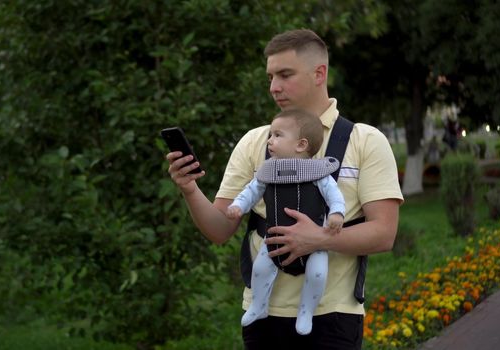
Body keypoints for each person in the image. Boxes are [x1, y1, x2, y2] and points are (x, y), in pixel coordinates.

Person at [165, 28, 403, 349]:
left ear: (319, 73)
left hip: (333, 316)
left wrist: (317, 239)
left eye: (285, 75)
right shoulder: (255, 142)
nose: (274, 87)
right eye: (270, 77)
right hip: (262, 317)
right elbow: (220, 229)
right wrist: (190, 189)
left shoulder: (364, 141)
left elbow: (384, 233)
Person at [226, 108, 345, 335]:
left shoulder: (318, 171)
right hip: (275, 236)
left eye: (277, 135)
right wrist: (238, 206)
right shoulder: (268, 171)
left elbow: (334, 195)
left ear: (301, 145)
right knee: (260, 269)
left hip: (315, 240)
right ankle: (259, 306)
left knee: (318, 273)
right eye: (270, 135)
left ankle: (306, 311)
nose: (270, 141)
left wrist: (337, 213)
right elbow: (251, 191)